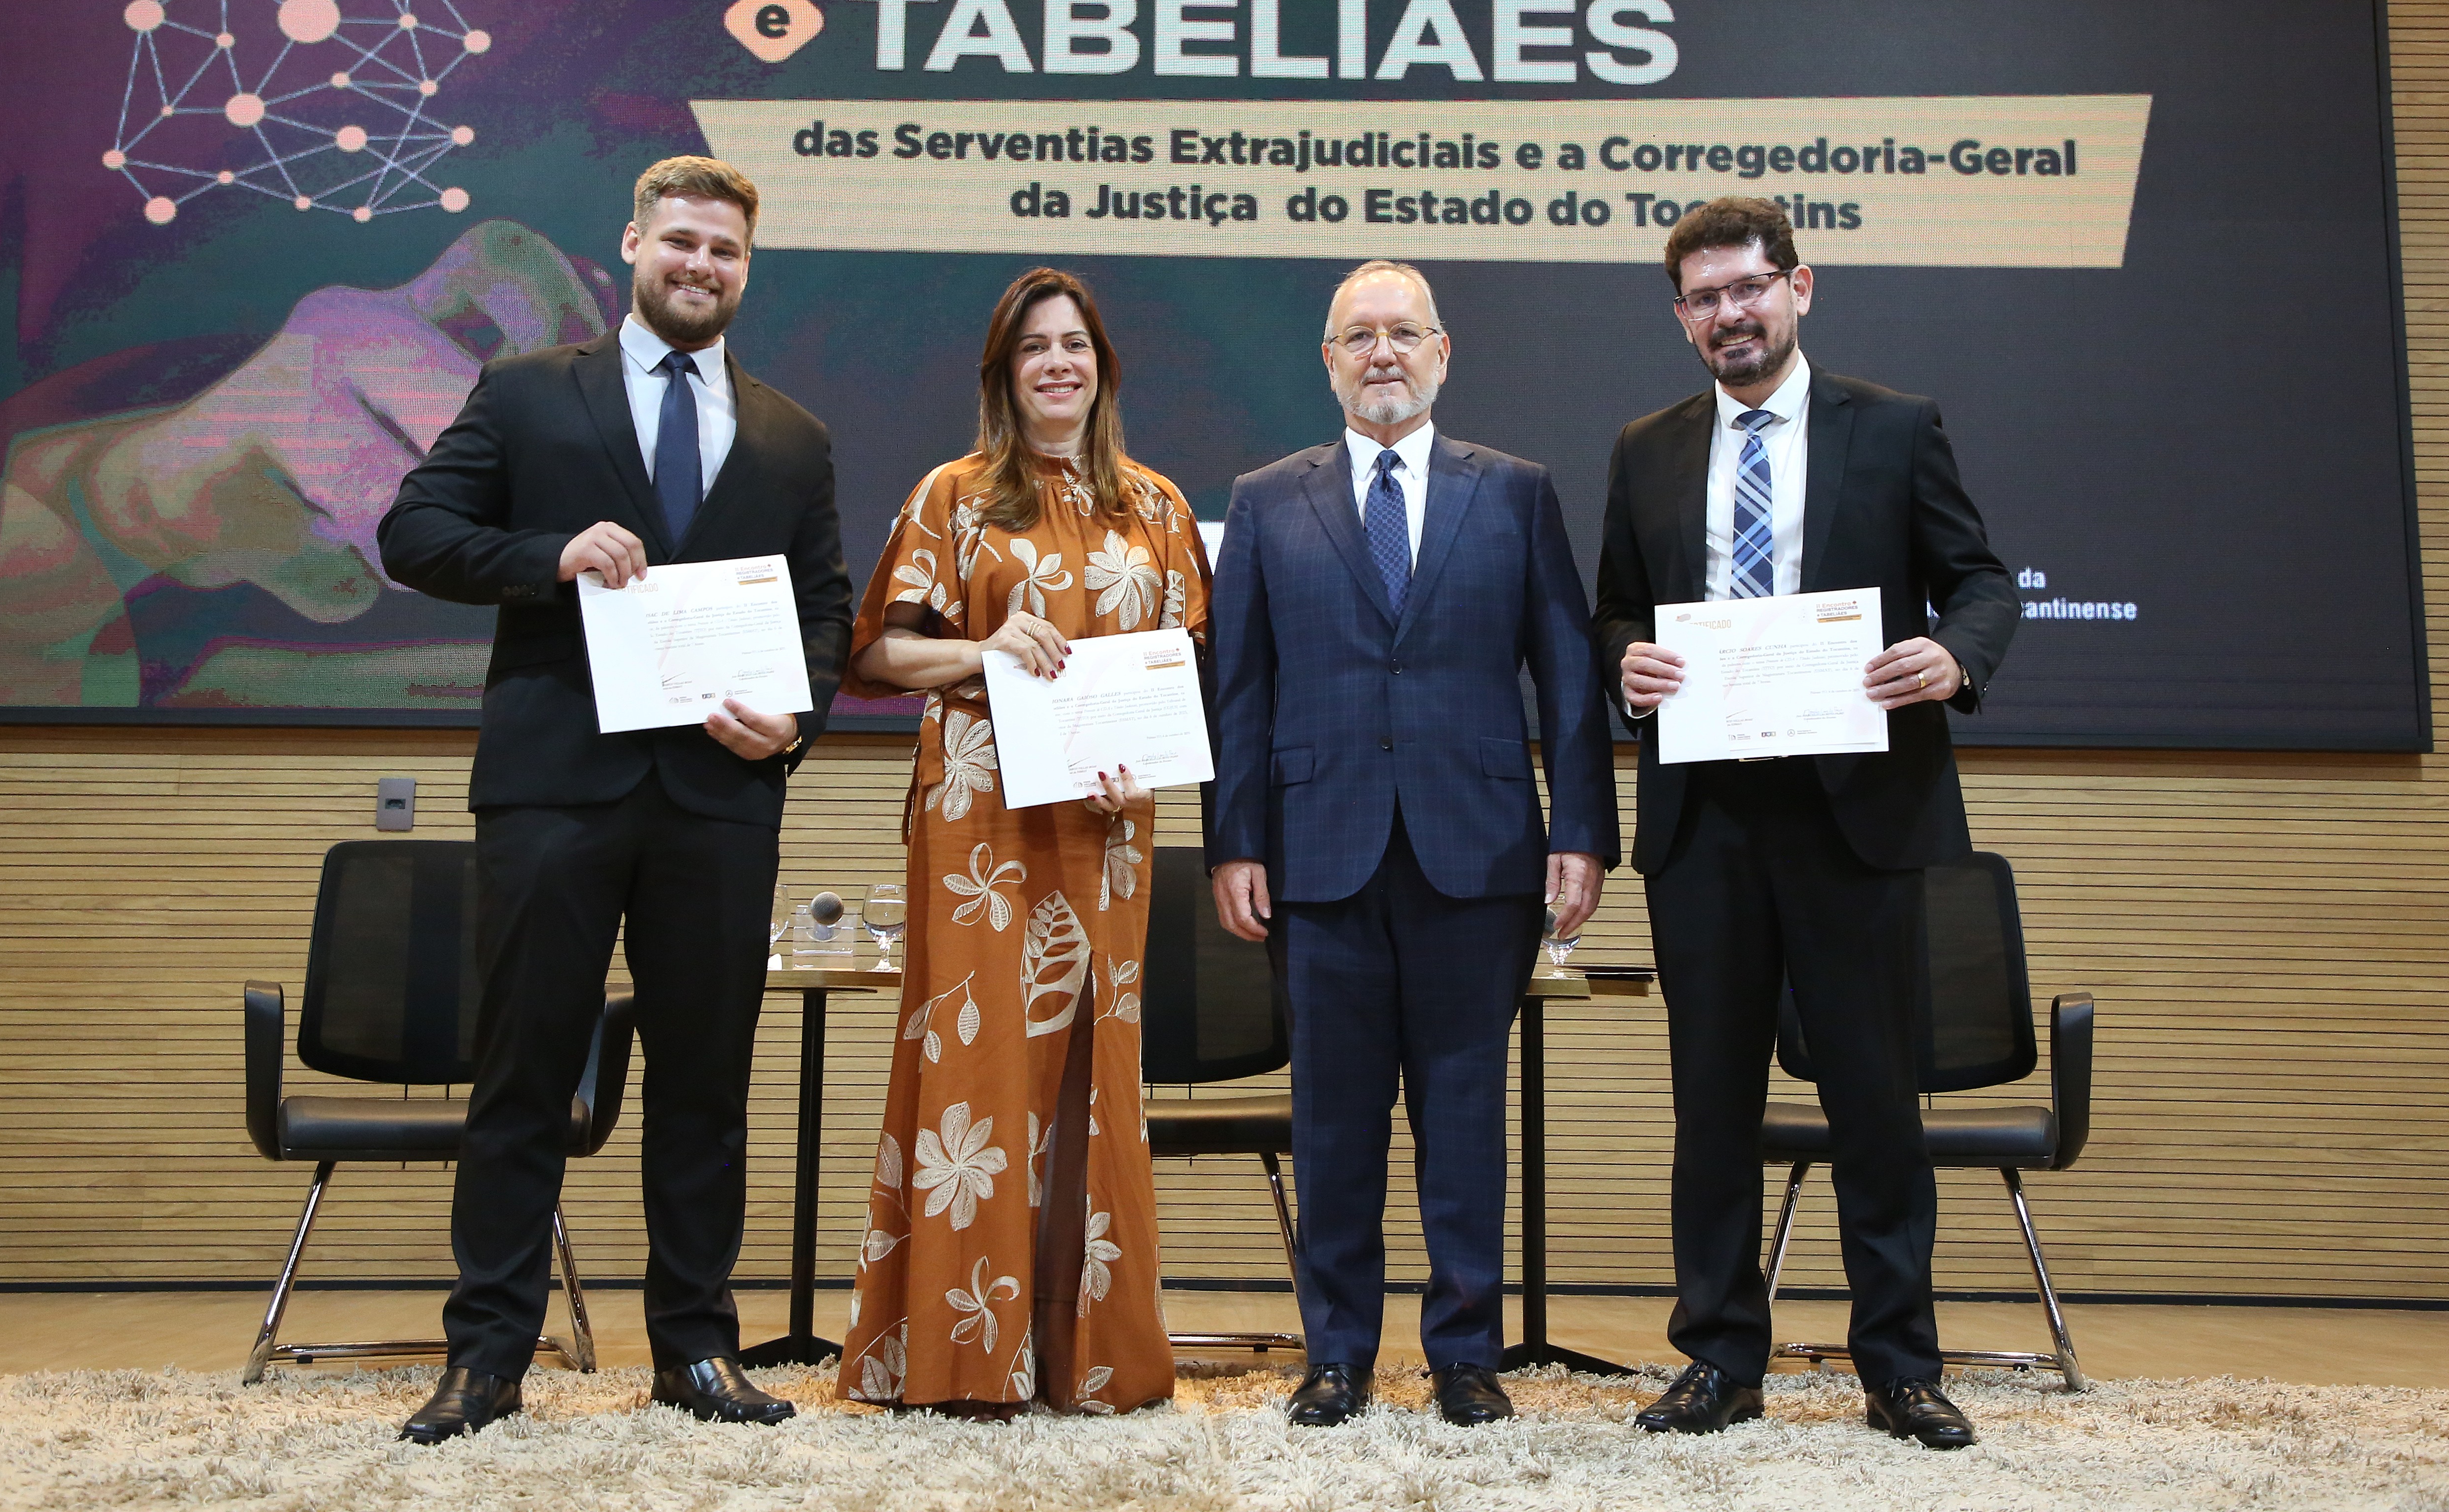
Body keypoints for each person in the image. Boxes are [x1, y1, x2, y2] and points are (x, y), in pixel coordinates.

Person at [376, 156, 853, 1441]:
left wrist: (796, 721)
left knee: (706, 1087)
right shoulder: (528, 391)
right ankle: (488, 1359)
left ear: (747, 269)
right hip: (555, 790)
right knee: (522, 1075)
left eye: (727, 251)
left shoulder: (793, 434)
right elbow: (413, 534)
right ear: (635, 243)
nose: (703, 265)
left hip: (720, 800)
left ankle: (695, 1351)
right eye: (682, 241)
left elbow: (824, 611)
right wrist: (552, 555)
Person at [1593, 195, 2018, 1451]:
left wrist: (1955, 656)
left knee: (1877, 1104)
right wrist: (1624, 662)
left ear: (1799, 287)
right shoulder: (1646, 447)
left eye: (1748, 288)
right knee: (1712, 1106)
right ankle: (1719, 1360)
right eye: (1704, 299)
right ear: (1682, 318)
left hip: (1858, 819)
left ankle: (1900, 1367)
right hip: (1706, 822)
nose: (1729, 314)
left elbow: (1981, 581)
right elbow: (1616, 611)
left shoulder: (1894, 427)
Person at [1205, 260, 1617, 1429]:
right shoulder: (1266, 499)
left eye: (1403, 332)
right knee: (1333, 1122)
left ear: (1443, 352)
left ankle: (1465, 1356)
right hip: (1316, 853)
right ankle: (1337, 1354)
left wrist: (1581, 830)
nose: (1382, 352)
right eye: (1359, 336)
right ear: (1327, 361)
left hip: (1478, 854)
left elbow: (1568, 673)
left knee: (1464, 1116)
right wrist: (1234, 841)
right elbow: (1239, 688)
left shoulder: (1517, 491)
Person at [836, 266, 1211, 1417]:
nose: (1058, 363)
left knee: (1096, 1074)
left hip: (1108, 820)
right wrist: (985, 649)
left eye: (1075, 345)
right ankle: (961, 1358)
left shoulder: (1160, 508)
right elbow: (877, 654)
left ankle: (1086, 1356)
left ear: (1103, 367)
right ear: (1003, 374)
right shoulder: (954, 496)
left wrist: (1148, 753)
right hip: (981, 824)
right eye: (1034, 347)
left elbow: (1190, 667)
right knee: (979, 1073)